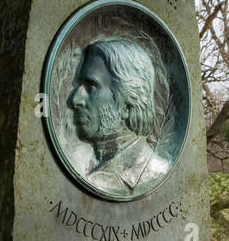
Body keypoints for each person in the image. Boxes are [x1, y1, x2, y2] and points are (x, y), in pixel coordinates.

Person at [66, 37, 169, 197]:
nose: (75, 100)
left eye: (91, 86)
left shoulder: (154, 171)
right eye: (78, 86)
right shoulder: (78, 161)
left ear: (128, 104)